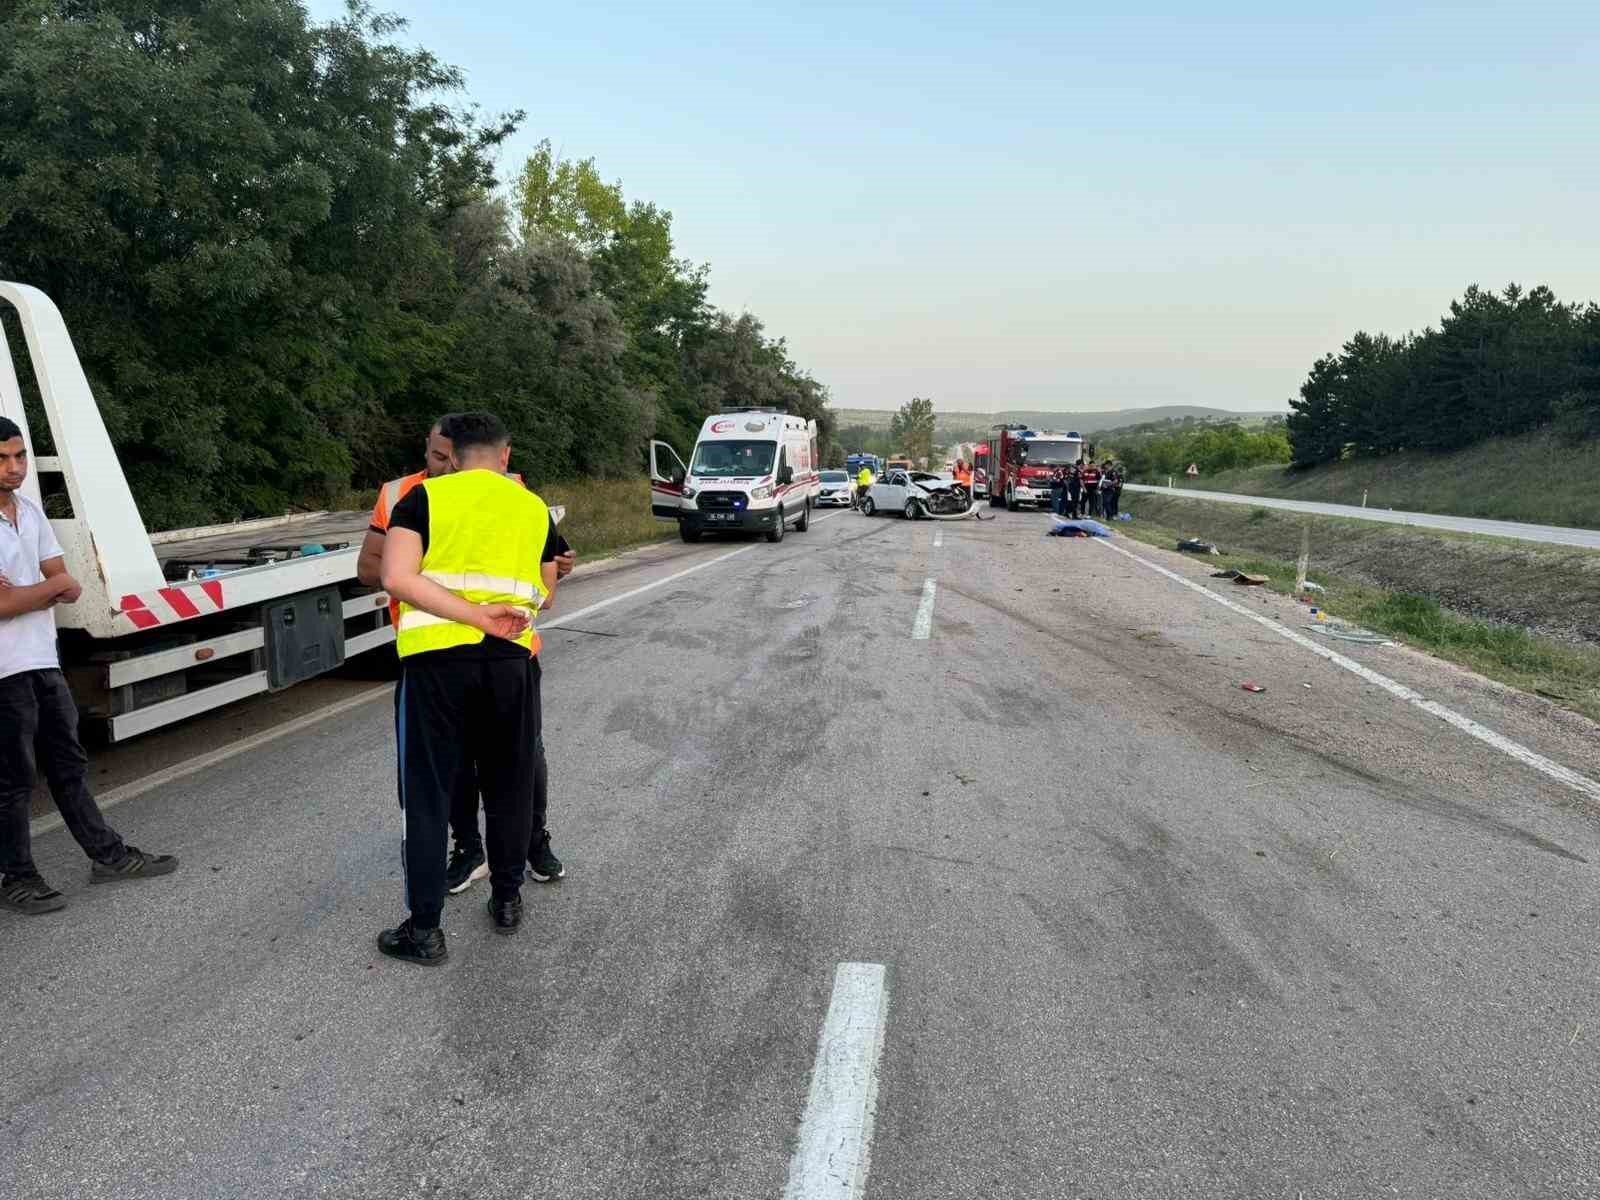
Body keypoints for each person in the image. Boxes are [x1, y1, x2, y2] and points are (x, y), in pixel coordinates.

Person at [357, 419, 574, 897]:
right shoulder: (527, 505)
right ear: (502, 454)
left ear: (455, 455)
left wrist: (472, 610)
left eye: (444, 455)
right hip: (497, 656)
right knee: (503, 778)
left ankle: (431, 919)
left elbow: (396, 576)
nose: (439, 462)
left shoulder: (432, 500)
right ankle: (500, 885)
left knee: (444, 785)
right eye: (432, 454)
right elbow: (544, 593)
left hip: (450, 659)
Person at [0, 417, 177, 915]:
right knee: (13, 780)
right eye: (3, 458)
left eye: (19, 457)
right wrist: (41, 591)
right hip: (4, 670)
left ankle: (108, 856)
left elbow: (65, 581)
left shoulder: (29, 513)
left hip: (41, 658)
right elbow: (6, 603)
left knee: (69, 765)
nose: (14, 468)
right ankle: (17, 877)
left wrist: (32, 592)